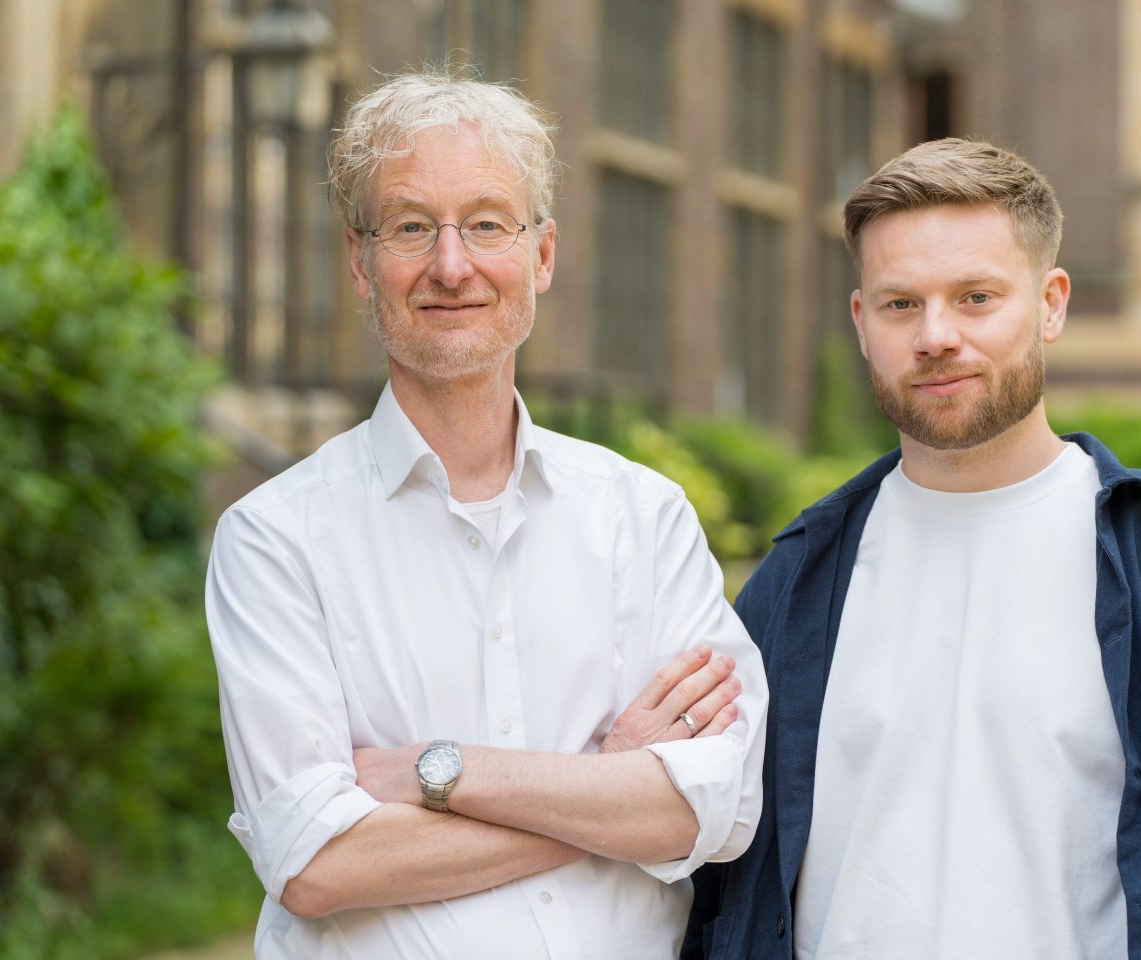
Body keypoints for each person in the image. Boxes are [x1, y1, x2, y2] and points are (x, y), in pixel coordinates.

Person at [683, 138, 1141, 960]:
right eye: (901, 304)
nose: (935, 336)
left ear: (1051, 303)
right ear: (861, 323)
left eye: (975, 298)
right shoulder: (794, 584)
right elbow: (709, 879)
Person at [205, 70, 767, 959]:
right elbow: (314, 862)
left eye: (487, 224)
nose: (451, 265)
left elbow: (720, 808)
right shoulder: (275, 539)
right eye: (411, 227)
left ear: (542, 255)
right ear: (360, 262)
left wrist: (443, 775)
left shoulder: (645, 519)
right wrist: (604, 791)